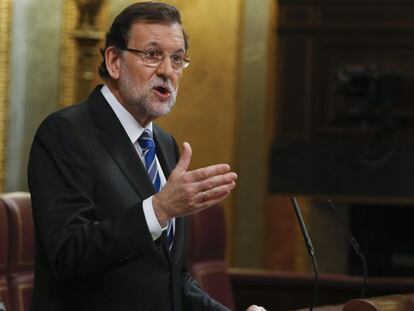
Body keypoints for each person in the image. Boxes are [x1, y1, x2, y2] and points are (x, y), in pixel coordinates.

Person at [28, 2, 266, 311]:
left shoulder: (164, 145)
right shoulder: (65, 133)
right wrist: (159, 209)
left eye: (177, 59)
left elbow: (169, 278)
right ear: (114, 61)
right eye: (152, 55)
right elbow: (68, 253)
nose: (167, 71)